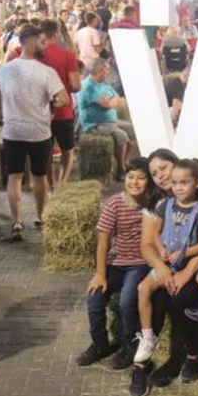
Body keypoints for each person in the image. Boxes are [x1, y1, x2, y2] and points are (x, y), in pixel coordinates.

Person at [131, 159, 198, 386]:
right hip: (170, 264)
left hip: (196, 263)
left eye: (184, 182)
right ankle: (148, 337)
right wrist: (161, 252)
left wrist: (185, 253)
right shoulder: (164, 206)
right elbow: (154, 236)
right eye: (175, 183)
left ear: (197, 182)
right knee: (142, 288)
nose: (178, 187)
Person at [77, 157, 156, 370]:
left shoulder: (152, 205)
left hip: (139, 264)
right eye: (131, 177)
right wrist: (100, 274)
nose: (135, 182)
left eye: (141, 178)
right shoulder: (114, 203)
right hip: (115, 262)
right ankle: (100, 344)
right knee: (94, 298)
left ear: (149, 181)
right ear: (125, 178)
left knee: (126, 302)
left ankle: (130, 345)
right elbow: (103, 239)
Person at [0, 25, 68, 239]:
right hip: (39, 130)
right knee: (39, 177)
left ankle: (16, 221)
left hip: (13, 130)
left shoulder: (5, 69)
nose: (43, 45)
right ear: (31, 41)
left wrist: (4, 118)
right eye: (41, 41)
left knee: (14, 177)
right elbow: (62, 98)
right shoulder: (45, 71)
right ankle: (40, 216)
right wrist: (51, 109)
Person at [39, 19, 81, 184]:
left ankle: (50, 183)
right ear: (57, 33)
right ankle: (62, 182)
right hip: (63, 111)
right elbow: (76, 86)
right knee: (67, 149)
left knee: (46, 150)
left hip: (41, 111)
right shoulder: (67, 55)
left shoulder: (37, 55)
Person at [78, 59, 135, 179]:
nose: (109, 72)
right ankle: (121, 170)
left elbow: (117, 98)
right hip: (95, 124)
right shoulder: (88, 87)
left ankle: (125, 162)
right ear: (99, 71)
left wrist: (111, 101)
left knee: (133, 130)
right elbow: (108, 104)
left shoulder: (103, 84)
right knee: (121, 136)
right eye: (106, 69)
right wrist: (111, 101)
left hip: (110, 121)